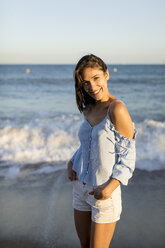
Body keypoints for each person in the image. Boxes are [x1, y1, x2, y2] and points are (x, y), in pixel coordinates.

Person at [67, 54, 137, 248]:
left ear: (106, 74)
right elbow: (87, 144)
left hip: (104, 192)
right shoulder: (89, 107)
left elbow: (128, 158)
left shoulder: (117, 109)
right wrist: (71, 162)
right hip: (80, 188)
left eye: (96, 78)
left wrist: (108, 189)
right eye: (86, 83)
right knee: (84, 244)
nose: (92, 86)